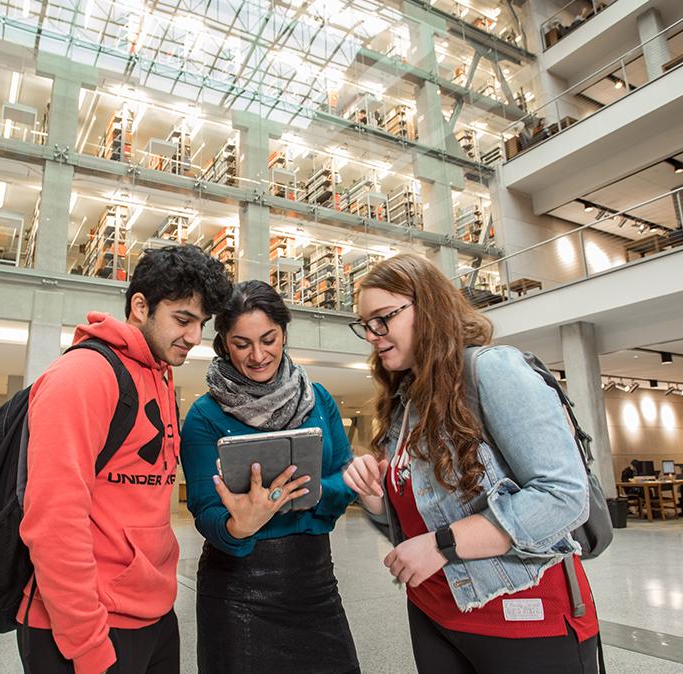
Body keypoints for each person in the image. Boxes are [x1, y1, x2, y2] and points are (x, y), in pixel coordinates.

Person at [340, 254, 600, 673]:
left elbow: (564, 496)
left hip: (523, 617)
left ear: (428, 308)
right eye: (365, 324)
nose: (372, 334)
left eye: (383, 318)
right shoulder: (406, 402)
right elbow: (413, 527)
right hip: (436, 610)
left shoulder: (492, 370)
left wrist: (444, 544)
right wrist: (375, 499)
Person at [17, 244, 232, 674]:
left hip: (152, 615)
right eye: (183, 319)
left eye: (201, 324)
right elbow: (54, 520)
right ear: (140, 306)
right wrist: (87, 644)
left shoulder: (161, 375)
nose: (194, 337)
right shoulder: (82, 376)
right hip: (85, 629)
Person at [180, 280, 360, 674]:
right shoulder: (203, 417)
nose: (258, 355)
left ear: (284, 333)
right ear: (224, 343)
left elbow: (347, 479)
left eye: (269, 339)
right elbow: (205, 510)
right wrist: (238, 525)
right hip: (237, 592)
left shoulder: (319, 399)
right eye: (242, 343)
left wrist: (305, 494)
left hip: (315, 583)